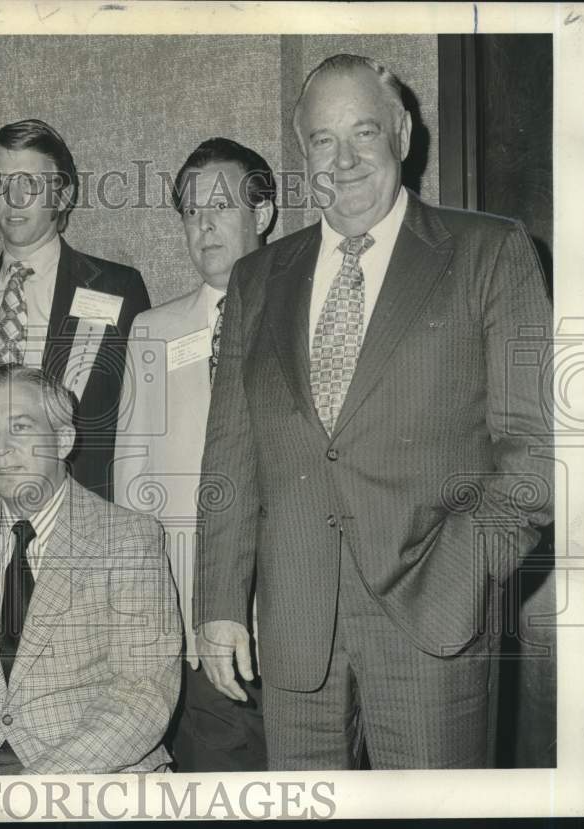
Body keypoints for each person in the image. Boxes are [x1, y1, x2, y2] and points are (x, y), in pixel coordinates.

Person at [195, 54, 553, 769]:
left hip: (434, 628)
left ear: (403, 133)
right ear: (304, 155)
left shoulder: (489, 252)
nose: (346, 159)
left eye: (365, 133)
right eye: (324, 141)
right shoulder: (257, 278)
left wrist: (461, 576)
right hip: (295, 632)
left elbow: (540, 456)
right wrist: (220, 599)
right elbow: (230, 453)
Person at [0, 364, 182, 775]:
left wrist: (36, 791)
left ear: (63, 439)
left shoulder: (127, 537)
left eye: (21, 427)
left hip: (93, 778)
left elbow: (144, 693)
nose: (0, 448)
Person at [114, 138, 275, 771]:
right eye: (189, 211)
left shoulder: (304, 319)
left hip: (293, 619)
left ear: (261, 213)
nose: (202, 224)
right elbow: (131, 485)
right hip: (188, 618)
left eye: (219, 205)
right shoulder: (153, 331)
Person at [0, 118, 150, 521]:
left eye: (29, 183)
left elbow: (137, 425)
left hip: (73, 522)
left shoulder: (117, 289)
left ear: (63, 195)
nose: (13, 199)